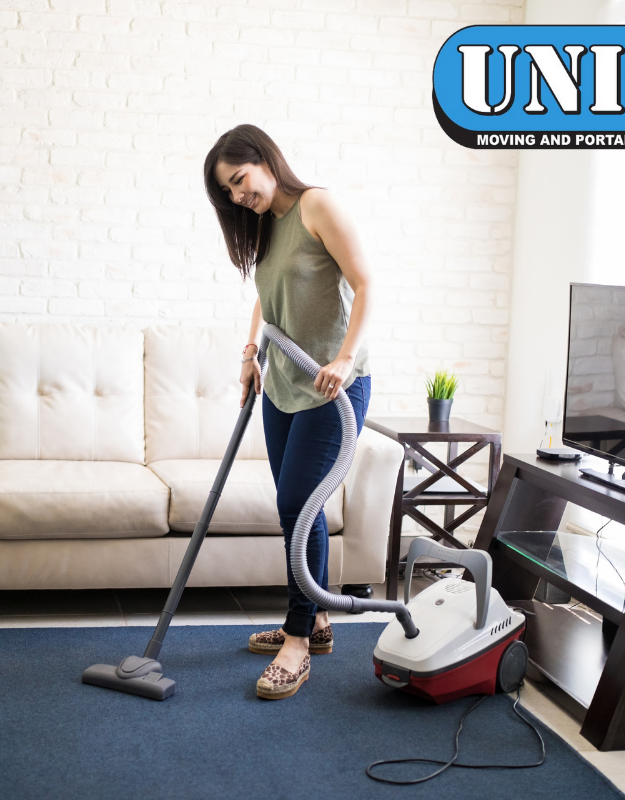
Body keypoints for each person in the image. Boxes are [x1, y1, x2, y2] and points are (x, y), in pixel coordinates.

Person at [203, 125, 372, 700]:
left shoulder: (316, 206)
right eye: (228, 191)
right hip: (282, 383)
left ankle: (297, 643)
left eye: (239, 180)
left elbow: (367, 282)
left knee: (298, 503)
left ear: (263, 158)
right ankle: (316, 620)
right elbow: (265, 301)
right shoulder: (268, 227)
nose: (236, 196)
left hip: (332, 389)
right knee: (297, 509)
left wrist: (347, 358)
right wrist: (250, 354)